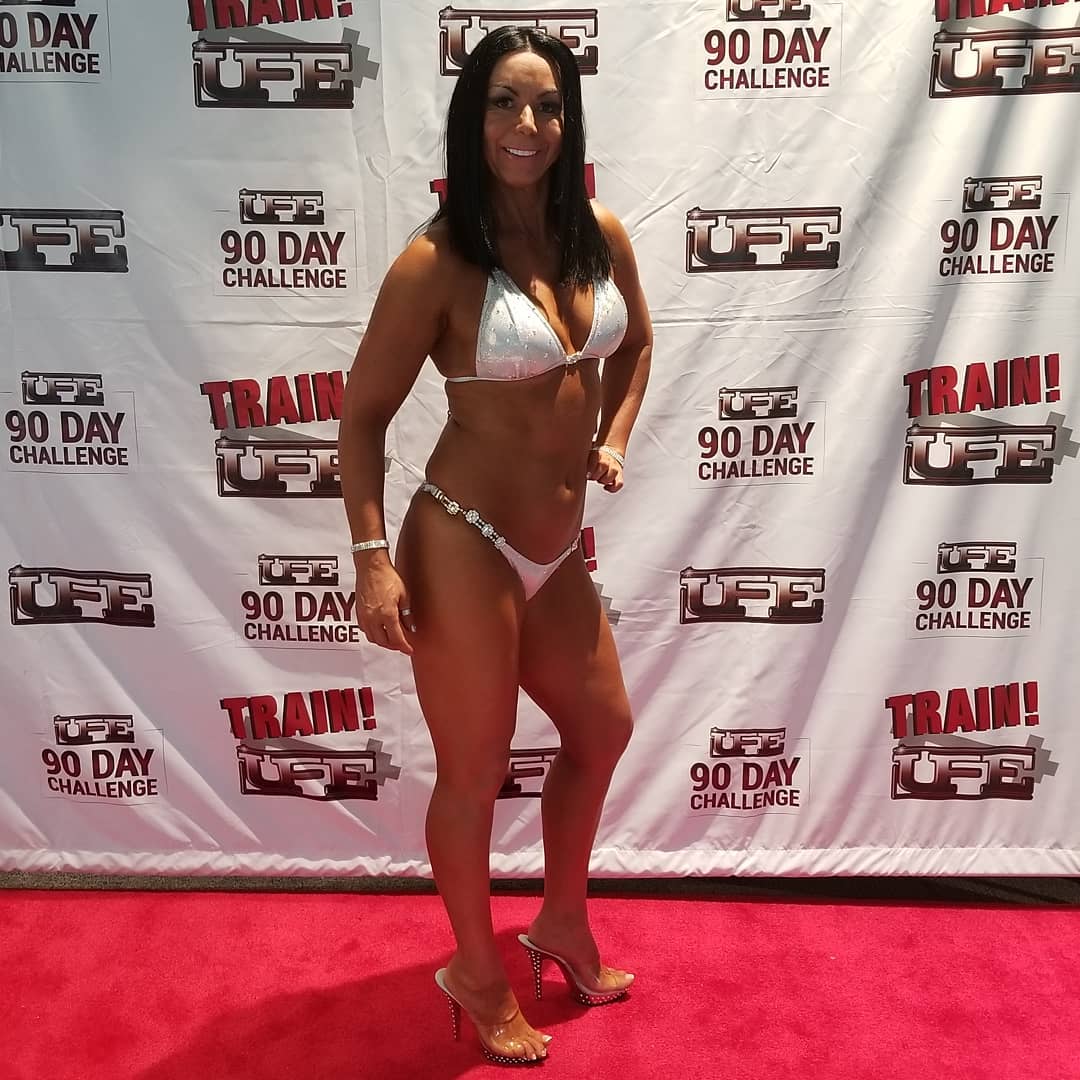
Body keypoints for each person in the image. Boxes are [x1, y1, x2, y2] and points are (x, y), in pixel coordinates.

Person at [338, 25, 652, 1066]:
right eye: (505, 104)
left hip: (556, 551)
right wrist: (371, 558)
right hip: (462, 543)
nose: (528, 125)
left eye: (549, 105)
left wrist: (613, 437)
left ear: (570, 120)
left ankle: (560, 921)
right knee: (472, 774)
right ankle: (474, 971)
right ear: (472, 121)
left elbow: (636, 344)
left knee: (602, 729)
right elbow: (362, 419)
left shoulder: (597, 233)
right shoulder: (435, 263)